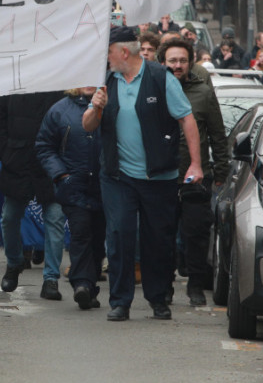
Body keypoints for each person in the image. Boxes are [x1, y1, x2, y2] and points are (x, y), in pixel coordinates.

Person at [82, 26, 203, 322]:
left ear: (124, 52)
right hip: (118, 176)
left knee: (157, 240)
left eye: (108, 52)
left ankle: (158, 298)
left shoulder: (160, 78)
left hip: (158, 177)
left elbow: (187, 119)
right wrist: (96, 109)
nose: (105, 59)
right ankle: (120, 301)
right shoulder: (107, 80)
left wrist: (195, 164)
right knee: (120, 234)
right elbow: (88, 125)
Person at [158, 37, 228, 306]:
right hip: (160, 176)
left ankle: (196, 286)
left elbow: (217, 134)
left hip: (197, 176)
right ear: (163, 62)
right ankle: (164, 289)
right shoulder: (153, 89)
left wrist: (220, 171)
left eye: (182, 61)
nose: (178, 65)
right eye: (172, 61)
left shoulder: (204, 93)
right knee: (161, 235)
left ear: (190, 63)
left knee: (196, 234)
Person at [0, 91, 67, 300]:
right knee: (9, 217)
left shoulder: (57, 82)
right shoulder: (12, 84)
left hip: (50, 162)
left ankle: (51, 278)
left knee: (55, 219)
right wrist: (4, 154)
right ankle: (14, 263)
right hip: (17, 160)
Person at [35, 87, 104, 310]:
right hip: (74, 184)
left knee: (98, 237)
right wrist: (61, 175)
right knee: (81, 231)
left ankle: (91, 287)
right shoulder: (60, 110)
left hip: (106, 184)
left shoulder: (110, 105)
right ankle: (82, 284)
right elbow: (45, 146)